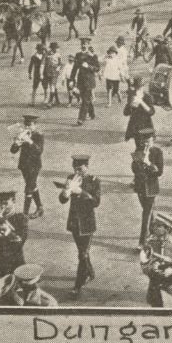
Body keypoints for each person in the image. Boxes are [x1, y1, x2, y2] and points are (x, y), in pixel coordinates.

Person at [59, 154, 102, 299]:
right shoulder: (70, 178)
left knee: (82, 254)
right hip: (74, 222)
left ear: (87, 167)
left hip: (87, 223)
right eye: (75, 168)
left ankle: (78, 286)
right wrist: (65, 193)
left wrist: (81, 192)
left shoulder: (94, 181)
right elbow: (62, 200)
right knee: (82, 252)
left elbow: (96, 202)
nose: (78, 171)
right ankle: (90, 272)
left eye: (80, 168)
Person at [140, 212, 172, 308]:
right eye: (154, 225)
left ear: (167, 229)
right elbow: (143, 265)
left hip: (171, 289)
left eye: (158, 226)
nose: (154, 227)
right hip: (154, 288)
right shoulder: (150, 243)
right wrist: (150, 268)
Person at [0, 185, 28, 277]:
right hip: (2, 266)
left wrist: (8, 232)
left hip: (17, 264)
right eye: (0, 203)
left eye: (6, 203)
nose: (2, 206)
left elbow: (20, 242)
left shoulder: (21, 218)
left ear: (14, 201)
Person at [132, 127, 163, 248]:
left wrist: (148, 163)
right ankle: (157, 232)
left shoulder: (157, 152)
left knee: (146, 214)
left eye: (148, 141)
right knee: (149, 213)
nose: (146, 143)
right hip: (140, 187)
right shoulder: (139, 151)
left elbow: (159, 172)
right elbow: (134, 169)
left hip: (151, 188)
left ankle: (142, 242)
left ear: (153, 140)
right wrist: (138, 163)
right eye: (144, 141)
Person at [10, 114, 44, 218]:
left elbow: (39, 151)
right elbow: (13, 151)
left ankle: (25, 213)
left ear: (35, 125)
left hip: (34, 165)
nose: (27, 128)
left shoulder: (39, 135)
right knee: (32, 185)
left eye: (30, 125)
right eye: (26, 125)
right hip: (24, 165)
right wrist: (16, 143)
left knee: (28, 188)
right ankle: (40, 207)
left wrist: (29, 141)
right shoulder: (22, 134)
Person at [72, 37, 100, 126]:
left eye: (86, 44)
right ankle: (92, 114)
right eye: (82, 44)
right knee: (86, 99)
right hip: (80, 80)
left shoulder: (93, 55)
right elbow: (75, 68)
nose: (84, 45)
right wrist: (72, 80)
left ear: (89, 45)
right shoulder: (78, 55)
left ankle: (81, 118)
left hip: (89, 80)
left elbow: (97, 68)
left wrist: (88, 66)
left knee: (85, 100)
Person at [124, 76, 156, 142]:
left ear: (143, 87)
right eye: (136, 88)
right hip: (134, 124)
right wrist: (130, 105)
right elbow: (125, 113)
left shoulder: (147, 97)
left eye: (140, 87)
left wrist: (141, 102)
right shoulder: (132, 96)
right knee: (137, 143)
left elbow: (152, 112)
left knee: (147, 143)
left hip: (146, 123)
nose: (138, 90)